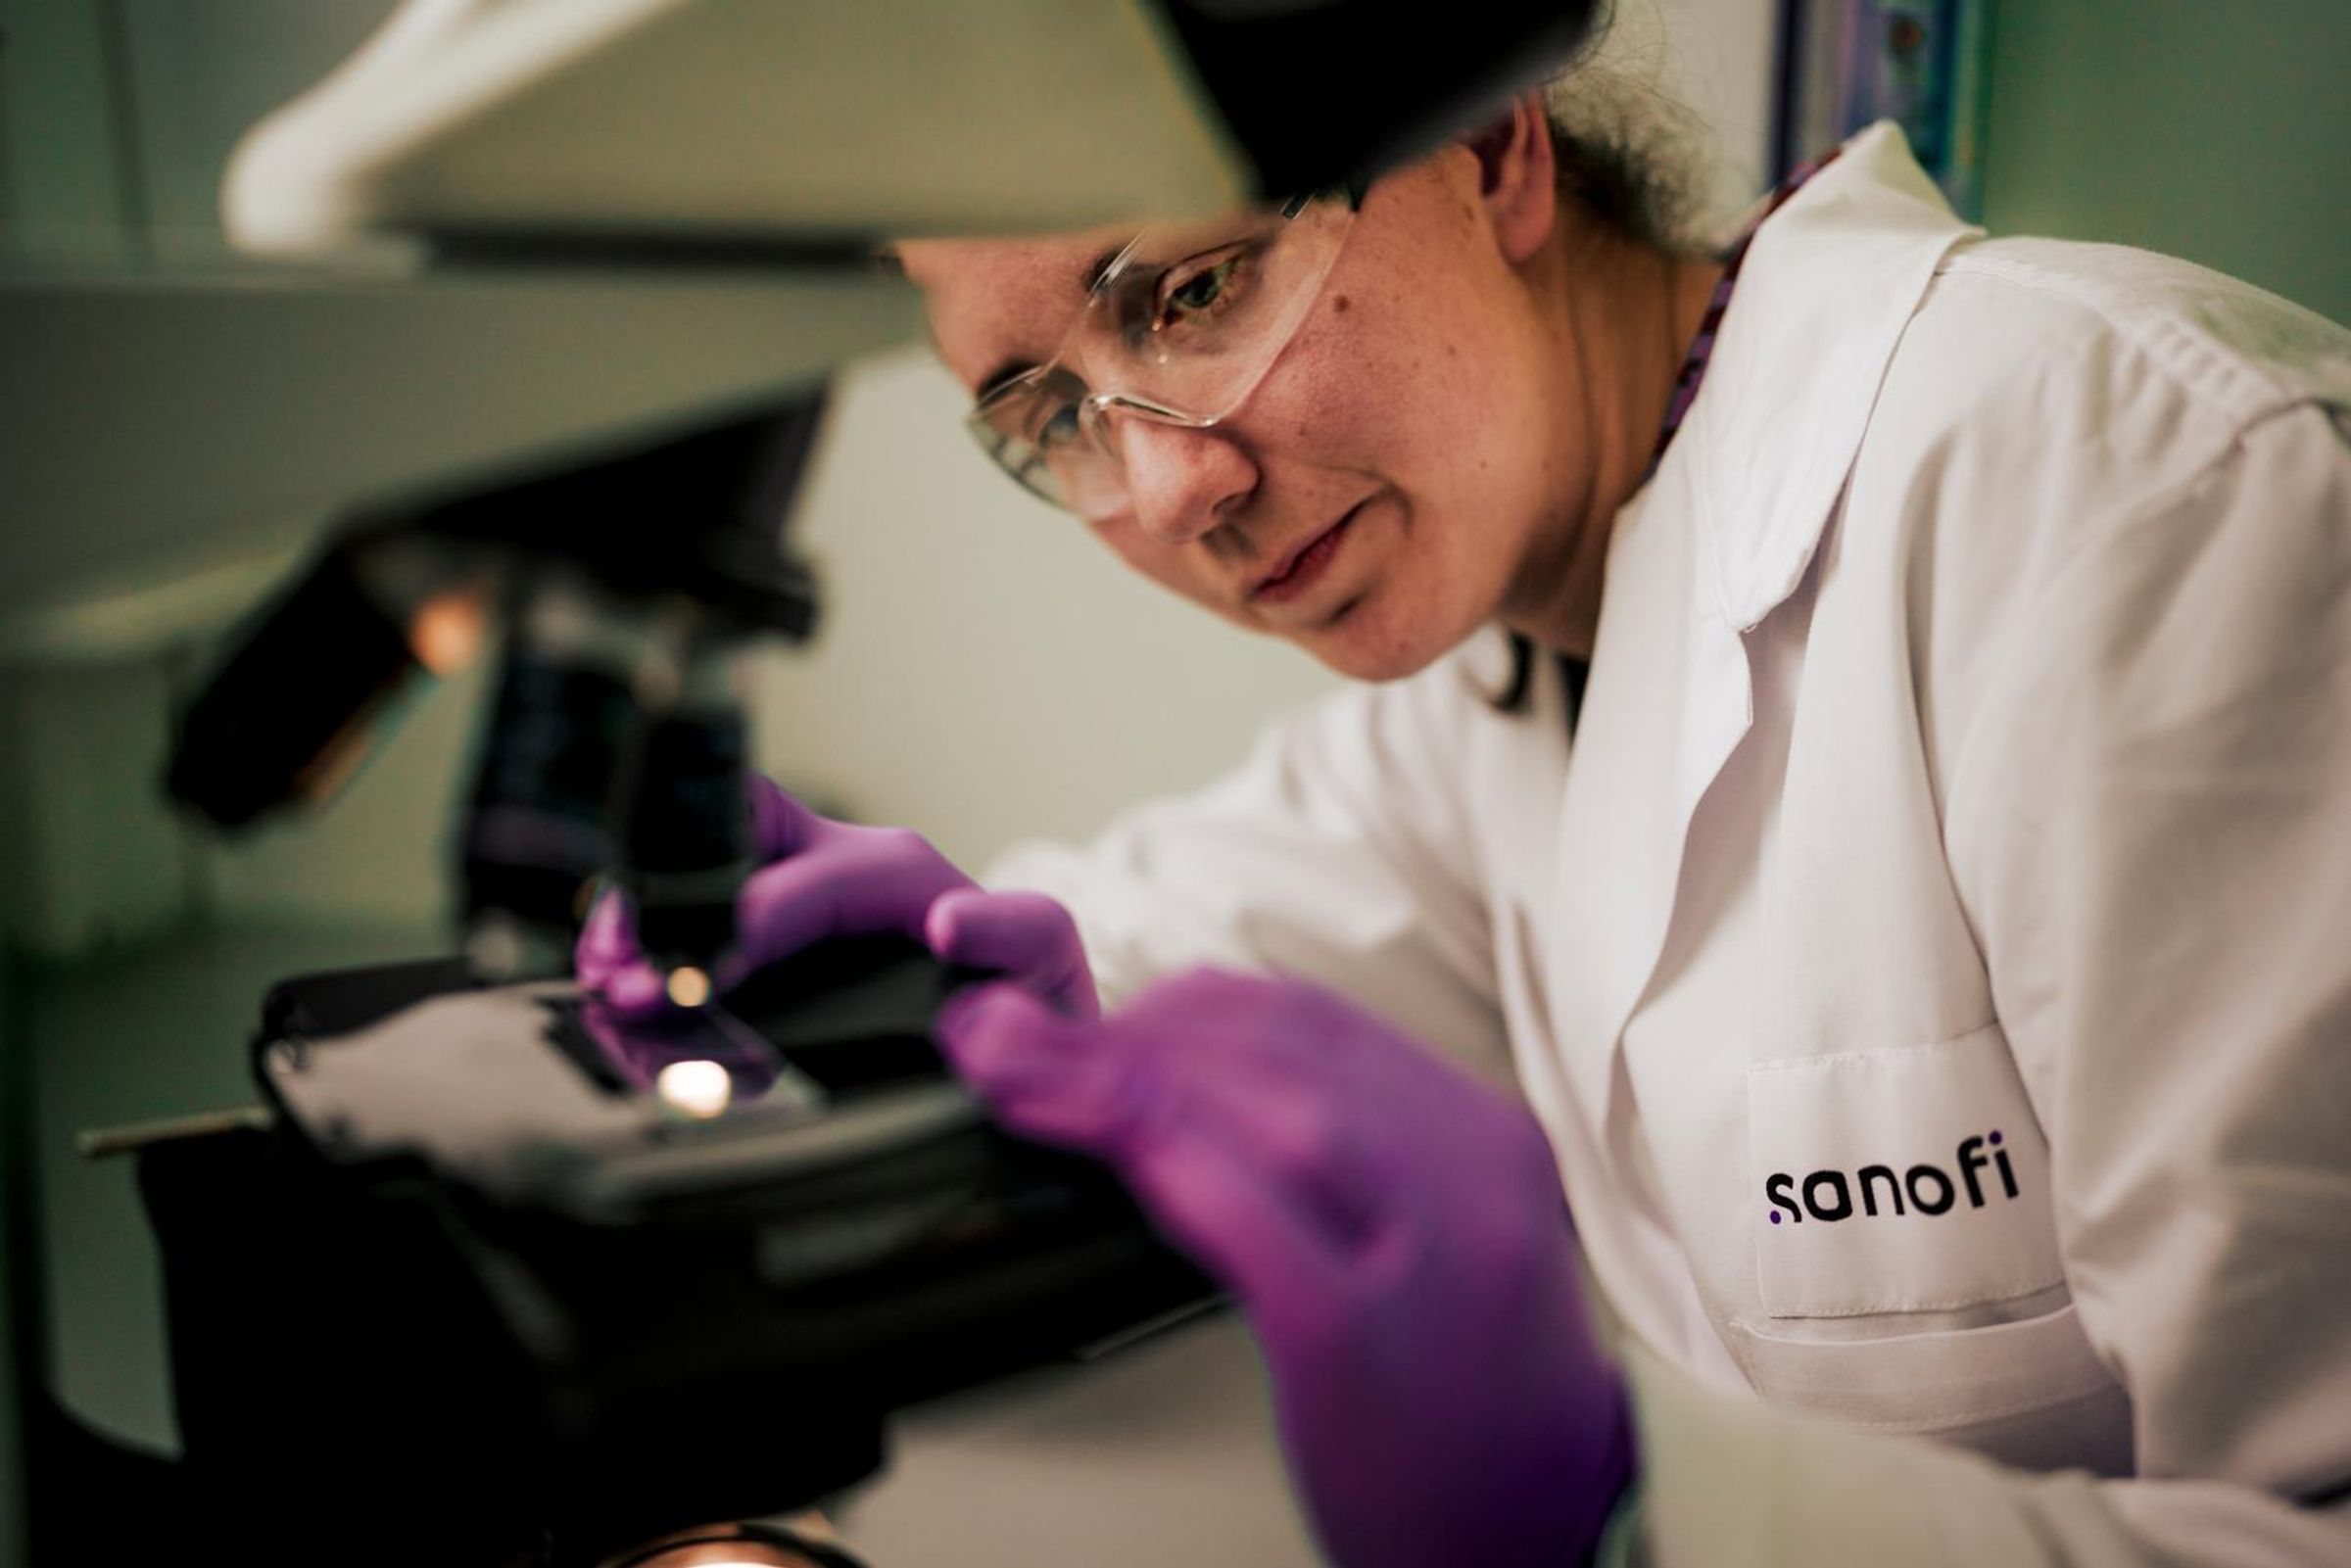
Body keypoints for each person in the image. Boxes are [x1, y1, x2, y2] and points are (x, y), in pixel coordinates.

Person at [579, 53, 2351, 1568]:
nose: (1172, 482)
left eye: (1189, 293)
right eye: (1049, 415)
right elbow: (1163, 940)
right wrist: (931, 989)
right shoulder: (1499, 674)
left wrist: (1642, 1504)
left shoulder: (2136, 487)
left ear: (1493, 144)